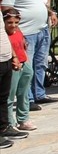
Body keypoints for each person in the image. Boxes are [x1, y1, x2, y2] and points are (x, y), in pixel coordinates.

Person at [1, 0, 58, 107]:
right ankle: (28, 99)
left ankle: (39, 93)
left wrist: (50, 13)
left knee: (40, 64)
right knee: (28, 68)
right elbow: (7, 11)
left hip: (42, 29)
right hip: (26, 33)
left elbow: (38, 3)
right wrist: (18, 33)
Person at [3, 7, 33, 135]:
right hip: (14, 65)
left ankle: (23, 119)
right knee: (10, 95)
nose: (13, 25)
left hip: (24, 62)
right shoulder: (4, 35)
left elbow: (21, 43)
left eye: (16, 22)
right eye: (9, 23)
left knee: (24, 93)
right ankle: (10, 122)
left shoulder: (18, 31)